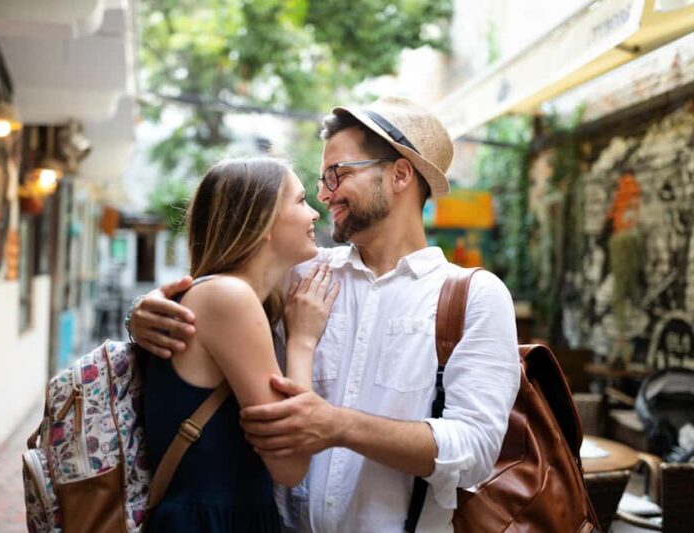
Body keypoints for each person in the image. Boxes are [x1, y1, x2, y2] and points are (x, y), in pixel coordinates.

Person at [128, 96, 521, 532]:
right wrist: (145, 313)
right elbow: (214, 296)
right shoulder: (299, 272)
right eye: (319, 180)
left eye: (338, 174)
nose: (324, 194)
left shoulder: (474, 297)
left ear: (400, 174)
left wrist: (338, 426)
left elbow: (475, 449)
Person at [140, 157, 339, 532]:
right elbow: (290, 465)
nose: (314, 213)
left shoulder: (231, 296)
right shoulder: (228, 298)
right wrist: (302, 342)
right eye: (299, 201)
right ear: (261, 221)